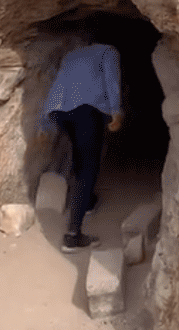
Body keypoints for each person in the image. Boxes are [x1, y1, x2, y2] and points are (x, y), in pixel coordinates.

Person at [43, 34, 123, 253]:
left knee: (80, 154)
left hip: (61, 112)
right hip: (86, 111)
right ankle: (73, 236)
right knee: (89, 167)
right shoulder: (108, 51)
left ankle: (87, 202)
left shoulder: (72, 55)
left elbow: (58, 84)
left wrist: (47, 120)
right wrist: (115, 111)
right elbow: (111, 80)